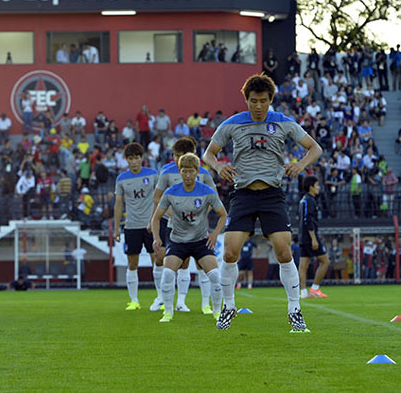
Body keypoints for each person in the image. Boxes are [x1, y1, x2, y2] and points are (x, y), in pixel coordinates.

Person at [203, 73, 322, 332]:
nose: (258, 106)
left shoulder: (283, 122)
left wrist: (300, 165)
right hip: (243, 195)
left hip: (272, 195)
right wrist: (217, 166)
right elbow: (208, 153)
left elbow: (315, 148)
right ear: (246, 99)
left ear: (271, 100)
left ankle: (294, 311)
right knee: (230, 252)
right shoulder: (233, 124)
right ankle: (228, 306)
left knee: (284, 252)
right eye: (254, 101)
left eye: (264, 101)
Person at [150, 153, 227, 323]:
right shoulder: (171, 192)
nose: (187, 175)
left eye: (191, 171)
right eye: (184, 171)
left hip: (200, 241)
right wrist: (156, 238)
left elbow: (223, 214)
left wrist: (214, 234)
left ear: (197, 171)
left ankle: (216, 311)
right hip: (178, 241)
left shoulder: (206, 191)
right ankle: (168, 312)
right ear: (179, 171)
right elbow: (156, 217)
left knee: (215, 275)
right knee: (168, 274)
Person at [113, 142, 159, 310]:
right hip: (131, 226)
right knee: (132, 264)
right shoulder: (121, 178)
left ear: (142, 158)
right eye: (130, 159)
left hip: (151, 226)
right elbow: (118, 204)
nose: (134, 162)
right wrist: (116, 227)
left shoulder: (153, 174)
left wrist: (157, 220)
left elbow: (160, 199)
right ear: (126, 160)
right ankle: (134, 300)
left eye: (137, 158)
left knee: (158, 262)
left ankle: (161, 298)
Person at [298, 176, 330, 299]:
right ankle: (315, 288)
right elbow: (308, 220)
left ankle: (304, 293)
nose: (319, 188)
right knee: (325, 261)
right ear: (311, 187)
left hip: (302, 237)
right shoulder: (310, 200)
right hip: (310, 237)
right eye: (317, 185)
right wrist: (314, 238)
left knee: (303, 266)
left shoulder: (303, 200)